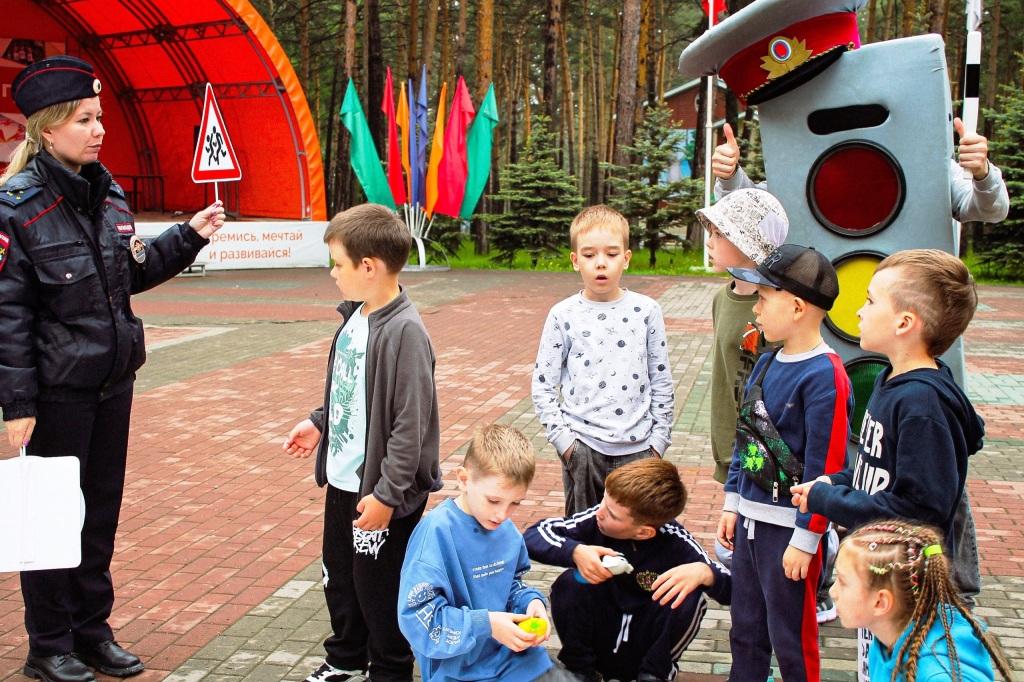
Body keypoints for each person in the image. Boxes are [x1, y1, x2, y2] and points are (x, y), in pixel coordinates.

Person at [0, 56, 225, 682]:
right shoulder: (16, 208)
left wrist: (188, 235)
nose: (99, 130)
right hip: (56, 395)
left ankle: (92, 632)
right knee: (53, 518)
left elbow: (130, 273)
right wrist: (17, 405)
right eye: (84, 119)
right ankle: (49, 645)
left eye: (99, 117)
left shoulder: (107, 193)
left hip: (111, 385)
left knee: (99, 515)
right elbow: (8, 316)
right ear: (47, 129)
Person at [790, 249, 985, 681]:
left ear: (904, 323)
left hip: (913, 593)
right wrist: (835, 482)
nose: (859, 311)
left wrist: (828, 500)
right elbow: (877, 468)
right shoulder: (891, 379)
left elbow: (918, 511)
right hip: (882, 581)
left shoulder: (922, 404)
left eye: (870, 300)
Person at [283, 203, 441, 682]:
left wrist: (387, 497)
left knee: (379, 589)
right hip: (344, 481)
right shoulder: (356, 317)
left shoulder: (405, 332)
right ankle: (346, 658)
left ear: (368, 267)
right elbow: (349, 389)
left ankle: (390, 669)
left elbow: (409, 427)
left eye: (338, 264)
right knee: (341, 577)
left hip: (381, 493)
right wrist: (320, 422)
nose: (332, 273)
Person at [716, 244, 852, 682]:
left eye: (762, 298)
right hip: (750, 525)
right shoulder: (766, 361)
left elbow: (825, 468)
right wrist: (733, 502)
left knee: (791, 636)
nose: (755, 308)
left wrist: (807, 538)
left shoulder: (825, 375)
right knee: (746, 629)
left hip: (790, 532)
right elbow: (746, 438)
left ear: (796, 307)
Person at [397, 424, 577, 682]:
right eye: (493, 500)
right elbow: (419, 619)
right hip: (458, 672)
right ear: (463, 480)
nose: (502, 515)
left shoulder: (507, 531)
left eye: (515, 503)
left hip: (516, 661)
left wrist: (531, 603)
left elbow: (512, 585)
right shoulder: (436, 534)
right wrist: (487, 625)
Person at [525, 458, 731, 682]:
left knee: (690, 594)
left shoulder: (677, 543)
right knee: (570, 582)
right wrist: (575, 551)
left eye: (612, 514)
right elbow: (536, 534)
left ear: (644, 532)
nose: (599, 512)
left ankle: (654, 675)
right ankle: (579, 671)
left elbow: (736, 586)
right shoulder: (597, 519)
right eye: (603, 501)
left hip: (643, 648)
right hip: (600, 637)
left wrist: (706, 573)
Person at [532, 204, 674, 516]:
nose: (600, 263)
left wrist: (658, 444)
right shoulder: (563, 315)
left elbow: (661, 379)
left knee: (636, 534)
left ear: (626, 257)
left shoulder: (647, 311)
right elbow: (543, 385)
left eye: (611, 254)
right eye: (589, 254)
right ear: (575, 260)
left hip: (639, 451)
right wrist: (566, 445)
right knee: (584, 533)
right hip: (583, 448)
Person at [710, 117, 1010, 224]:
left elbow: (991, 210)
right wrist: (730, 175)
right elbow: (750, 209)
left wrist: (982, 173)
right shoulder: (815, 166)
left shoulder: (925, 164)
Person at [830, 521, 1012, 682]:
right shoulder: (884, 641)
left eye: (843, 582)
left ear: (880, 602)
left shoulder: (937, 675)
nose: (832, 592)